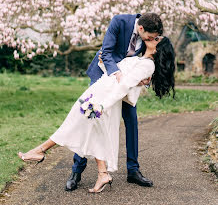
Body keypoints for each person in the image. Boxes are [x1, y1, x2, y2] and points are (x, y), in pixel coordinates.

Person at [18, 35, 175, 193]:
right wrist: (103, 63)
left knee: (74, 124)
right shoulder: (140, 59)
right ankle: (102, 174)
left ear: (157, 49)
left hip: (104, 98)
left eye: (157, 39)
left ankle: (40, 151)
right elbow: (116, 75)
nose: (153, 36)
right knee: (91, 132)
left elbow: (124, 86)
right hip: (99, 91)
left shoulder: (148, 65)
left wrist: (103, 105)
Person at [66, 12, 164, 191]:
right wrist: (117, 74)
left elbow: (148, 59)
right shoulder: (120, 22)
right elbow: (107, 51)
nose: (152, 40)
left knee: (131, 121)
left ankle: (133, 171)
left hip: (126, 84)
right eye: (150, 37)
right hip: (106, 75)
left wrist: (145, 79)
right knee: (90, 118)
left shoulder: (149, 36)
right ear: (140, 28)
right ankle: (76, 171)